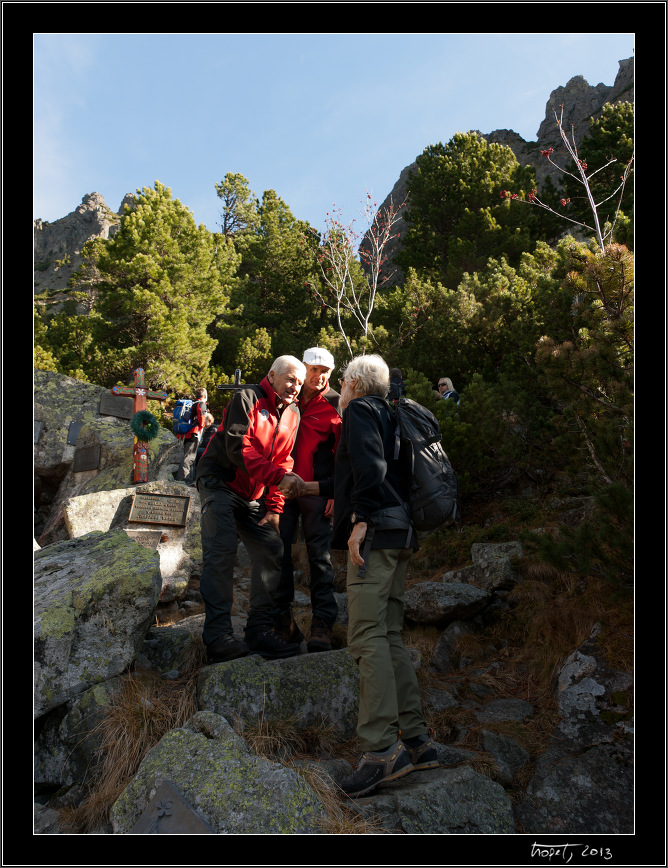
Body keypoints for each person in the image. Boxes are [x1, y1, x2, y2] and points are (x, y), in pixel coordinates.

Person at [331, 353, 438, 798]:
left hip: (376, 535)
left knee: (366, 637)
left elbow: (371, 472)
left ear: (355, 382)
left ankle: (380, 752)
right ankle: (416, 742)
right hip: (402, 534)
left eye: (342, 380)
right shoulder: (393, 412)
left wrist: (360, 522)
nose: (339, 387)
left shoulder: (359, 410)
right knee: (390, 634)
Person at [195, 356, 307, 663]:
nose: (295, 387)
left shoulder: (293, 413)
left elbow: (284, 462)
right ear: (271, 375)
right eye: (289, 379)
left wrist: (274, 506)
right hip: (219, 481)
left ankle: (258, 631)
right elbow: (237, 448)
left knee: (272, 549)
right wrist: (277, 478)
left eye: (299, 382)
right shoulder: (246, 398)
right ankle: (218, 636)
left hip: (252, 496)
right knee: (222, 550)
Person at [273, 347, 342, 653]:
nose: (319, 376)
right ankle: (283, 623)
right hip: (284, 491)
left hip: (317, 493)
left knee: (320, 559)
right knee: (279, 555)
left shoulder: (337, 403)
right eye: (313, 369)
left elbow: (345, 454)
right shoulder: (288, 398)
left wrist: (336, 496)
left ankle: (322, 624)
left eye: (325, 371)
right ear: (304, 368)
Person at [176, 388, 208, 485]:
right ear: (205, 396)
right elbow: (202, 420)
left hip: (186, 433)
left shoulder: (192, 404)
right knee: (189, 456)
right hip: (194, 432)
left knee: (191, 455)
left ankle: (189, 479)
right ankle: (182, 478)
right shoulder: (201, 404)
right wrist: (202, 426)